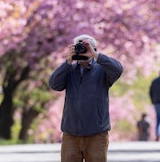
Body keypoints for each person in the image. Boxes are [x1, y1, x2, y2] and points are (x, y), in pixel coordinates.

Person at [49, 34, 123, 162]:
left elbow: (118, 69)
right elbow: (54, 84)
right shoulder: (69, 70)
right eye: (80, 47)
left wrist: (96, 56)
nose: (83, 50)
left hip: (97, 134)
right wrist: (67, 62)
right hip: (71, 134)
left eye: (87, 47)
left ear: (94, 49)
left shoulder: (103, 71)